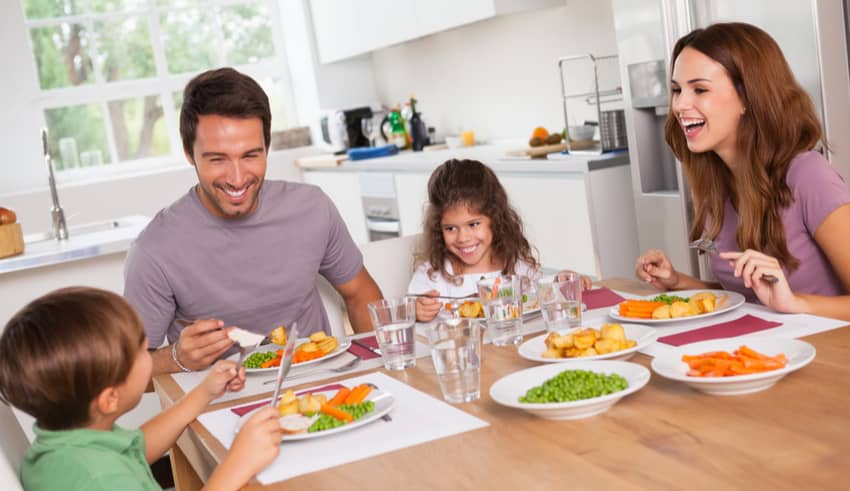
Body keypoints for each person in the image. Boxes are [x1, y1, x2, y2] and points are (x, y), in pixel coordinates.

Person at [124, 68, 382, 375]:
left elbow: (360, 293)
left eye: (250, 155)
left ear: (267, 147)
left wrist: (381, 369)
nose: (236, 178)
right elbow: (129, 375)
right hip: (220, 406)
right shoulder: (155, 249)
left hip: (318, 388)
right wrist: (177, 358)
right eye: (217, 159)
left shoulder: (312, 208)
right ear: (189, 153)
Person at [635, 22, 850, 320]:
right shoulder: (718, 179)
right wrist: (678, 282)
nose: (680, 105)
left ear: (748, 97)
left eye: (699, 89)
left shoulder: (808, 176)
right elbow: (752, 297)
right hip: (763, 354)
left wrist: (797, 303)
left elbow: (784, 301)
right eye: (677, 90)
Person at [0, 287, 282, 491]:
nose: (150, 352)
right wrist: (237, 465)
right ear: (110, 399)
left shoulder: (67, 445)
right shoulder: (101, 479)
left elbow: (137, 448)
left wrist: (203, 393)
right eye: (141, 350)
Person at [408, 159, 591, 322]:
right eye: (450, 228)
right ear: (438, 228)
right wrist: (416, 311)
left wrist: (560, 283)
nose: (463, 238)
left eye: (473, 224)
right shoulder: (432, 277)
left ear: (495, 219)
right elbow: (408, 314)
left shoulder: (516, 266)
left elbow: (541, 296)